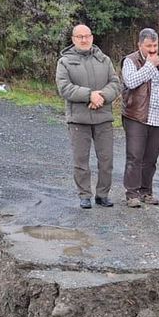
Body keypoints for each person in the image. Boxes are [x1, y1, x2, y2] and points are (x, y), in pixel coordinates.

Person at [56, 24, 122, 209]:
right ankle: (84, 195)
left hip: (103, 118)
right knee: (81, 161)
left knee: (107, 160)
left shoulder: (104, 60)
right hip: (78, 120)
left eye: (87, 36)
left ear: (92, 37)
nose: (84, 40)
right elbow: (64, 87)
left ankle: (102, 195)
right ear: (73, 39)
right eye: (80, 37)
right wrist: (89, 95)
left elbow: (115, 83)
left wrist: (101, 96)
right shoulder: (65, 62)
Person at [121, 29, 159, 208]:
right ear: (139, 45)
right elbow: (131, 82)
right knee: (134, 156)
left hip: (158, 119)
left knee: (151, 158)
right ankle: (132, 194)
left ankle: (146, 191)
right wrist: (150, 65)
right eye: (148, 46)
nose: (152, 50)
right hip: (136, 116)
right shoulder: (130, 61)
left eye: (155, 45)